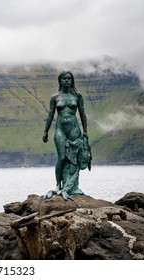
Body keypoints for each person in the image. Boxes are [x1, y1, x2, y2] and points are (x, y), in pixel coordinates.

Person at [43, 71, 91, 199]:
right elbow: (50, 115)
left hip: (74, 128)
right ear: (60, 81)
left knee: (74, 158)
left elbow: (82, 113)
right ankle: (58, 185)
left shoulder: (77, 96)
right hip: (60, 130)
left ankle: (72, 186)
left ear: (72, 80)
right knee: (62, 157)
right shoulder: (55, 97)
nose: (66, 80)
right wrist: (45, 131)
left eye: (69, 78)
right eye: (64, 78)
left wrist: (85, 131)